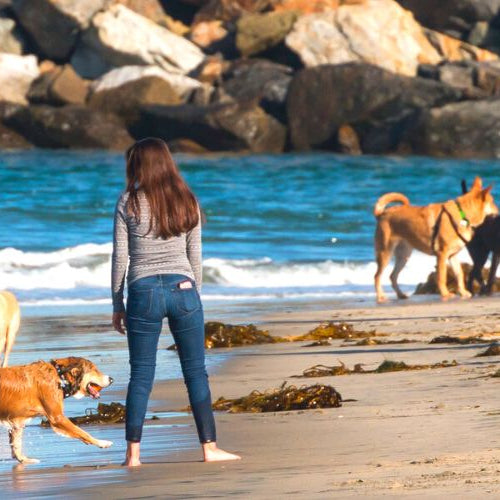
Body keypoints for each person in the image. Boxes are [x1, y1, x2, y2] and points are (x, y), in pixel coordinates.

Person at [111, 137, 240, 467]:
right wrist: (192, 292)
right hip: (183, 288)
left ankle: (133, 455)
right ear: (168, 162)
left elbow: (120, 258)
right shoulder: (187, 199)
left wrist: (117, 303)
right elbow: (195, 257)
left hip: (142, 293)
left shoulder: (128, 201)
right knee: (196, 373)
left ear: (137, 165)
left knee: (141, 375)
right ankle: (209, 449)